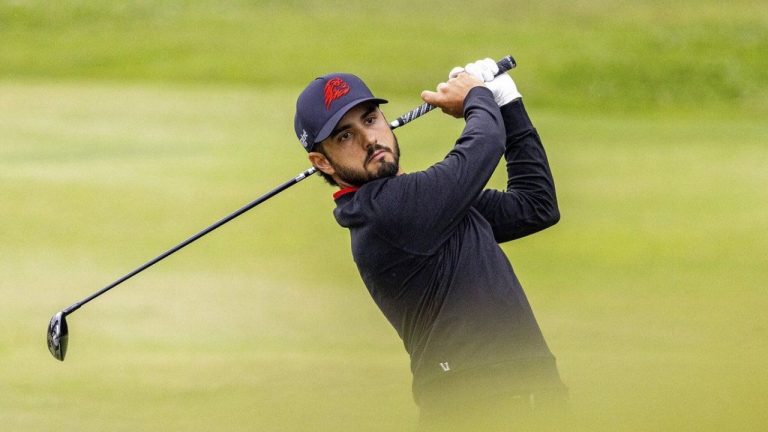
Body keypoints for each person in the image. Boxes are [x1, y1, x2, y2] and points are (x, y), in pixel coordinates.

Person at [294, 58, 567, 430]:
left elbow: (536, 207)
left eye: (371, 119)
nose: (369, 140)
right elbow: (483, 143)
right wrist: (476, 96)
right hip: (481, 404)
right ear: (321, 162)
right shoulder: (384, 213)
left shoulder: (429, 206)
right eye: (344, 137)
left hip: (517, 394)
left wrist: (508, 102)